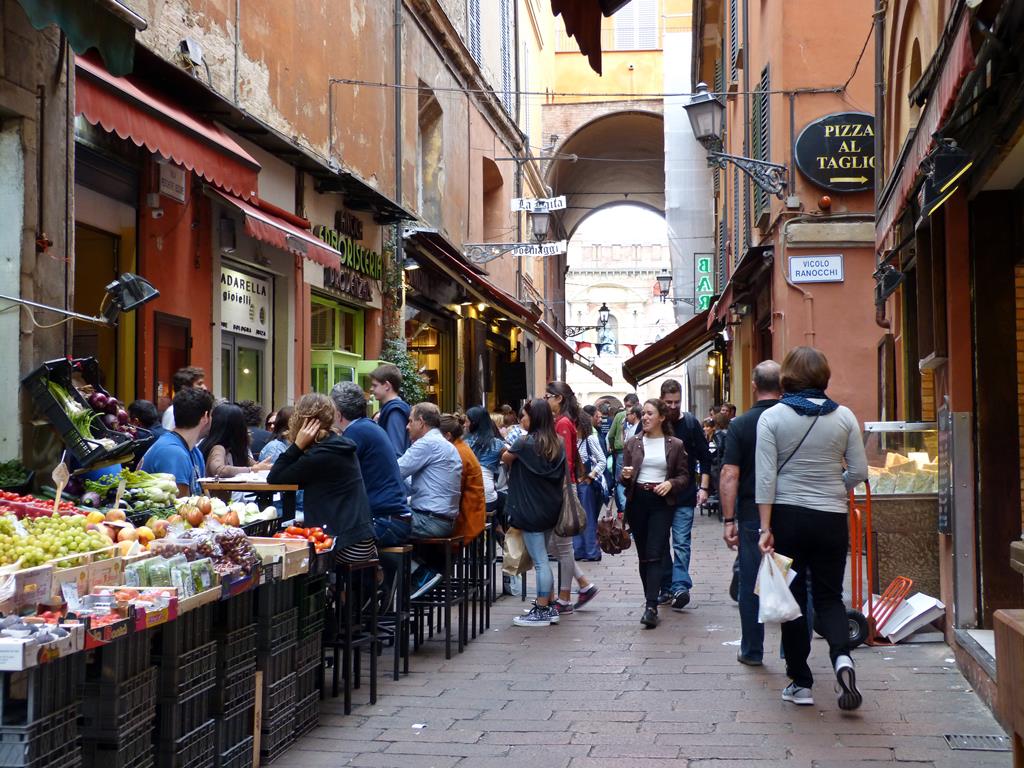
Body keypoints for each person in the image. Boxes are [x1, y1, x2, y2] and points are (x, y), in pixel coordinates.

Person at [756, 347, 868, 710]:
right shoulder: (845, 417)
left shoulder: (772, 418)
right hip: (831, 517)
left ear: (787, 377)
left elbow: (765, 478)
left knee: (792, 599)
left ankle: (801, 682)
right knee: (829, 596)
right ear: (824, 376)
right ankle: (842, 660)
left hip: (788, 517)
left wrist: (764, 527)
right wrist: (836, 486)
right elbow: (860, 472)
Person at [720, 361, 782, 666]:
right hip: (789, 508)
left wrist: (728, 519)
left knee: (751, 582)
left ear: (754, 385)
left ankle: (752, 650)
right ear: (782, 385)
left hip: (750, 512)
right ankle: (793, 652)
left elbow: (730, 474)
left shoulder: (741, 424)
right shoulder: (791, 420)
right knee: (796, 579)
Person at [267, 394, 377, 565]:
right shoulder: (337, 445)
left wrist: (297, 445)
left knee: (290, 565)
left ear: (302, 421)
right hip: (360, 538)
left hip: (344, 544)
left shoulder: (322, 454)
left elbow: (275, 477)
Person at [620, 399, 690, 628]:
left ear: (661, 417)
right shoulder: (632, 443)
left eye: (650, 414)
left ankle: (651, 606)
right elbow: (623, 479)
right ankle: (649, 598)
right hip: (638, 501)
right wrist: (626, 476)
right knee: (643, 555)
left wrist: (670, 484)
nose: (645, 418)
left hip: (661, 503)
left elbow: (684, 476)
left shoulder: (675, 444)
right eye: (643, 414)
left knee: (656, 551)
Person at [503, 398, 566, 627]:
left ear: (534, 418)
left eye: (525, 416)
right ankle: (548, 604)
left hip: (530, 508)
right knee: (543, 558)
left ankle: (542, 609)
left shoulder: (524, 443)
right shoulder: (557, 442)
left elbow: (505, 458)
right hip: (551, 507)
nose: (522, 420)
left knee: (540, 561)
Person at [331, 383, 413, 543]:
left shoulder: (355, 433)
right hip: (394, 518)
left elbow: (337, 476)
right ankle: (420, 569)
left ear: (338, 413)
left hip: (384, 521)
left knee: (332, 548)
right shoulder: (368, 427)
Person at [397, 402, 463, 596]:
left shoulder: (427, 443)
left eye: (410, 421)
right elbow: (413, 480)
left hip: (431, 520)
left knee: (381, 526)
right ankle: (415, 574)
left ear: (421, 421)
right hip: (442, 519)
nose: (407, 426)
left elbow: (395, 471)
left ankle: (421, 573)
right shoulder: (443, 443)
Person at [544, 381, 599, 613]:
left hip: (563, 488)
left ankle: (565, 598)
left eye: (548, 396)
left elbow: (564, 460)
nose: (545, 400)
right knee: (556, 546)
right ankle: (583, 584)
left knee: (562, 546)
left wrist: (558, 489)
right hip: (563, 487)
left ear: (559, 399)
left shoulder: (563, 423)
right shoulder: (560, 422)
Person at [658, 380, 713, 610]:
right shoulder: (655, 423)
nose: (673, 406)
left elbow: (705, 457)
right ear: (662, 400)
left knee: (681, 543)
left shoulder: (689, 423)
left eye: (677, 402)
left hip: (684, 493)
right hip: (658, 496)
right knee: (660, 544)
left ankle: (680, 586)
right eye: (669, 402)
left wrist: (704, 487)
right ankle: (667, 585)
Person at [140, 387, 214, 497]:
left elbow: (203, 500)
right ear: (205, 417)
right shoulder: (173, 453)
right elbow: (182, 508)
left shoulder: (194, 451)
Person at [439, 415, 486, 545]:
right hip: (469, 514)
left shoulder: (457, 453)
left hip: (465, 519)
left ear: (447, 436)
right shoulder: (460, 447)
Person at [200, 403, 273, 477]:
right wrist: (251, 469)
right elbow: (219, 470)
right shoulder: (218, 448)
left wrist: (262, 467)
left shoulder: (236, 450)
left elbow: (255, 466)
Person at [572, 416, 606, 562]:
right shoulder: (574, 440)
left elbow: (602, 461)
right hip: (578, 483)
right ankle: (579, 551)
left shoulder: (590, 439)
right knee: (577, 518)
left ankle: (592, 551)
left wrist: (590, 477)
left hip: (587, 485)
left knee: (588, 518)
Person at [464, 406, 504, 516]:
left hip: (468, 499)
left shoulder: (463, 444)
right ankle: (496, 527)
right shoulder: (498, 444)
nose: (464, 425)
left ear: (474, 423)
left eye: (466, 421)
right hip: (488, 500)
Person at [607, 393, 639, 515]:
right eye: (626, 406)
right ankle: (628, 508)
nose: (627, 409)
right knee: (626, 479)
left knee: (621, 480)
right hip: (625, 452)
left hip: (621, 452)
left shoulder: (621, 415)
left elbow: (611, 435)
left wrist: (613, 447)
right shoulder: (642, 414)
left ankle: (625, 508)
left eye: (629, 406)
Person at [371, 363, 411, 457]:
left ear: (387, 386)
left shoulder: (395, 411)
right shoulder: (393, 409)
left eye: (375, 385)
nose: (371, 389)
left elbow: (396, 451)